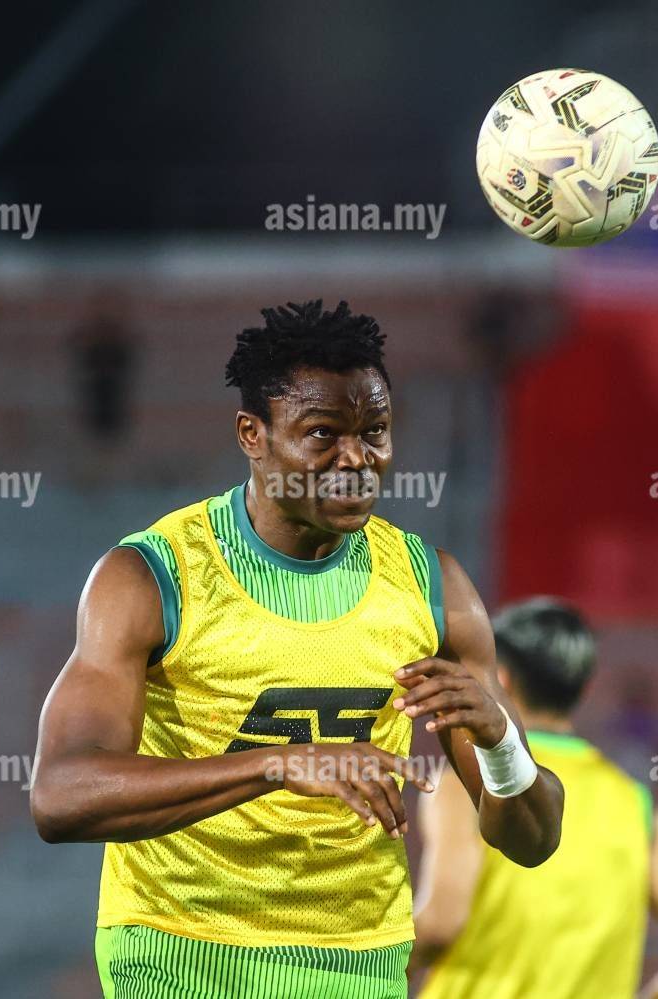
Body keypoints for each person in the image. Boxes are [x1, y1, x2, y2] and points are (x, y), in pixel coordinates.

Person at [29, 300, 565, 999]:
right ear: (252, 434)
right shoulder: (151, 577)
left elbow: (533, 840)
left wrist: (500, 742)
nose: (357, 459)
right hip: (184, 955)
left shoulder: (433, 588)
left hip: (360, 965)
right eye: (322, 434)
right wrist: (277, 764)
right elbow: (60, 795)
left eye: (375, 432)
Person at [414, 599, 658, 999]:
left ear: (501, 678)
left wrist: (355, 969)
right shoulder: (634, 803)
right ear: (585, 687)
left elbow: (440, 924)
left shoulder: (467, 781)